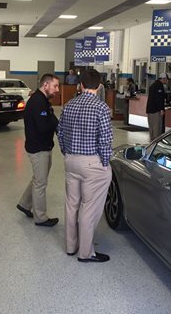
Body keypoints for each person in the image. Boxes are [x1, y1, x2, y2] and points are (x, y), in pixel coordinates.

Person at [57, 69, 113, 263]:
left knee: (72, 204)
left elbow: (60, 132)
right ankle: (86, 252)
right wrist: (105, 164)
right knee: (89, 208)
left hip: (71, 161)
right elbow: (105, 140)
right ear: (99, 86)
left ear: (80, 85)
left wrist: (66, 152)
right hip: (92, 163)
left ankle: (71, 246)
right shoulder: (102, 108)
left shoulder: (69, 105)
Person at [16, 74, 60, 227]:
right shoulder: (39, 102)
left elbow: (50, 119)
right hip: (38, 148)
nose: (57, 90)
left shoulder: (43, 100)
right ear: (45, 85)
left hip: (42, 146)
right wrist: (54, 122)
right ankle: (40, 217)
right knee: (41, 183)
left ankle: (24, 204)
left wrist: (53, 120)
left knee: (37, 179)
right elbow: (43, 127)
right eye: (55, 86)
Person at [146, 73, 168, 141]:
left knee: (152, 127)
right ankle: (156, 142)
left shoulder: (154, 84)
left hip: (150, 109)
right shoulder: (159, 86)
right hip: (155, 110)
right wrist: (161, 109)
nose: (166, 81)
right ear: (163, 79)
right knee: (157, 127)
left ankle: (152, 140)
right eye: (166, 79)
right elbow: (158, 99)